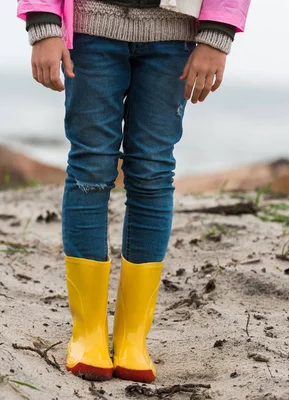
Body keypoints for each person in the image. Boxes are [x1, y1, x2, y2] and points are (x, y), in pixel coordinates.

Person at [17, 0, 251, 383]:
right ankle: (88, 333)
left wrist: (218, 35)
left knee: (153, 171)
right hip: (91, 29)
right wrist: (43, 22)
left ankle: (131, 338)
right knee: (90, 166)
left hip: (175, 36)